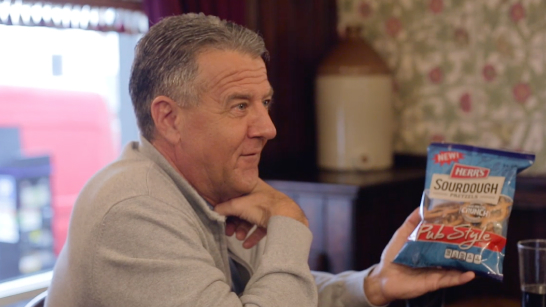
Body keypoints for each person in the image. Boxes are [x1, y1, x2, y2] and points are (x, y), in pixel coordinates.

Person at [45, 13, 474, 307]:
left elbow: (270, 295)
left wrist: (372, 285)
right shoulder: (133, 208)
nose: (267, 127)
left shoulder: (203, 187)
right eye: (238, 106)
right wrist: (289, 222)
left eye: (264, 102)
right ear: (169, 118)